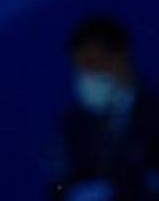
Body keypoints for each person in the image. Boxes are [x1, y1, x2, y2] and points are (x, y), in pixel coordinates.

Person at [52, 16, 159, 201]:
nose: (87, 77)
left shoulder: (153, 114)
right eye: (79, 68)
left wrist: (118, 189)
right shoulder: (73, 129)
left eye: (92, 63)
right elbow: (60, 185)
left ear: (121, 57)